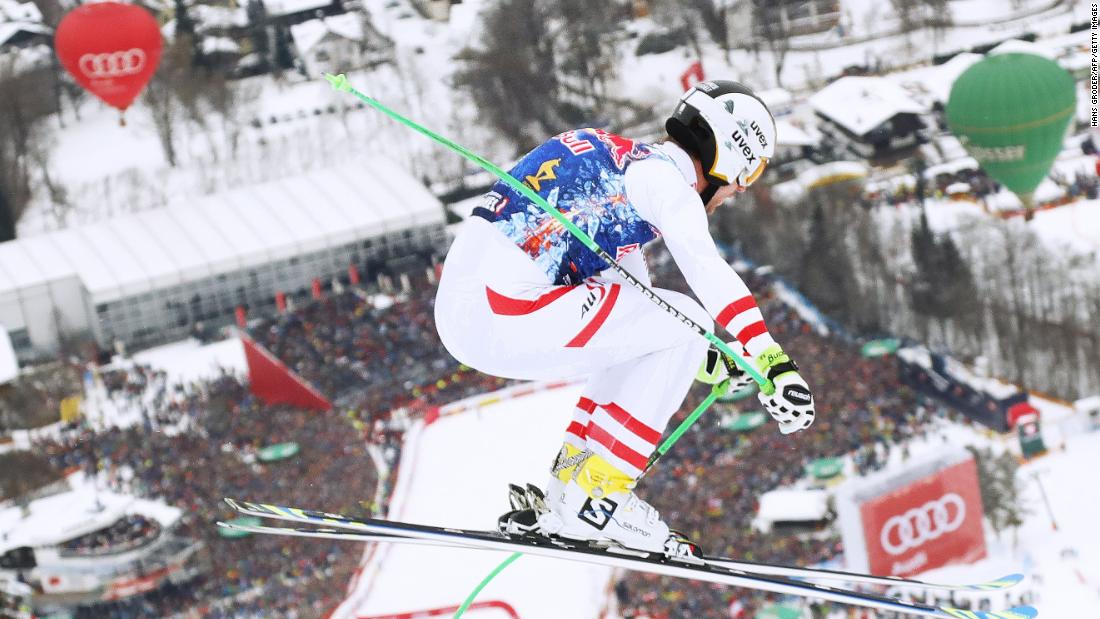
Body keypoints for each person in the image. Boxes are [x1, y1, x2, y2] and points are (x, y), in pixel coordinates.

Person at [433, 80, 815, 558]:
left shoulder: (623, 162)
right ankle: (595, 497)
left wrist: (709, 355)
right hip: (501, 312)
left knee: (674, 328)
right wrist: (772, 360)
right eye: (749, 173)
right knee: (692, 320)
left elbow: (633, 303)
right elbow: (704, 267)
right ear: (730, 155)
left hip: (471, 310)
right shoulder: (666, 185)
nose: (739, 190)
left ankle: (573, 485)